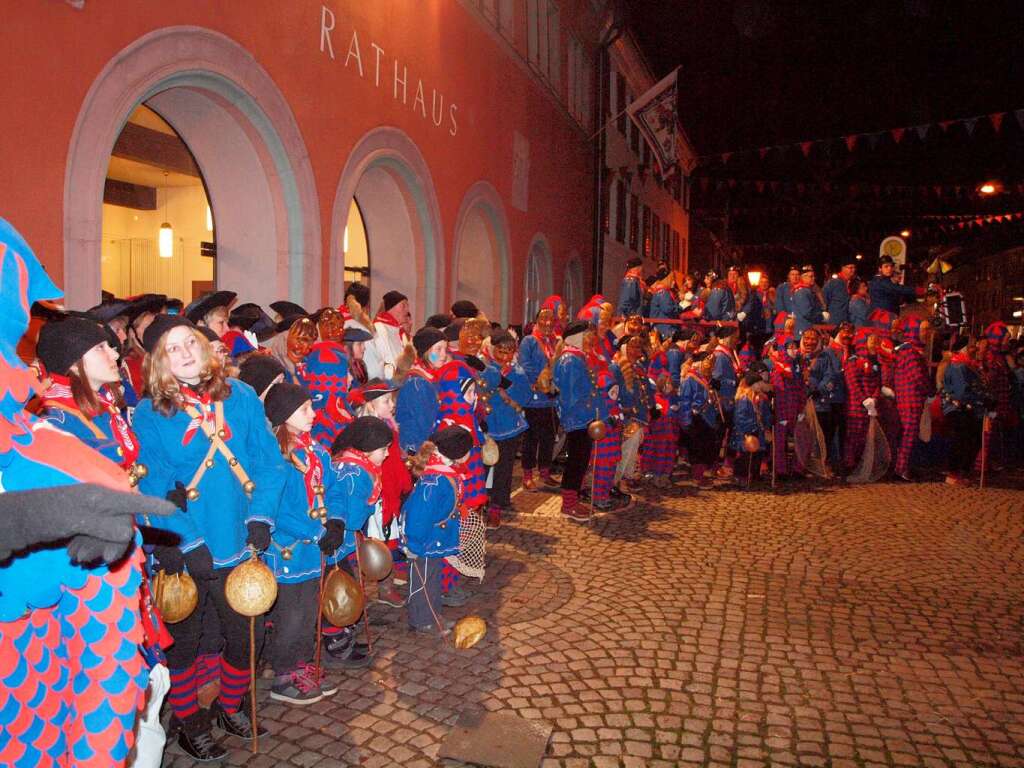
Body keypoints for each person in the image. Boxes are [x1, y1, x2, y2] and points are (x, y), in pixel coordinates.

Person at [132, 314, 285, 760]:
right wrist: (186, 541)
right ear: (158, 362)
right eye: (170, 349)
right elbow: (153, 484)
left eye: (188, 342)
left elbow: (270, 463)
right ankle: (188, 721)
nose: (183, 352)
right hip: (188, 549)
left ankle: (227, 706)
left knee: (243, 638)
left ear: (202, 345)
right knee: (185, 645)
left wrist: (261, 517)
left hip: (239, 538)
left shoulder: (240, 397)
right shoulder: (150, 412)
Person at [262, 382, 345, 705]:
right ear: (285, 417)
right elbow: (278, 509)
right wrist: (315, 531)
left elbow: (334, 488)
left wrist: (336, 520)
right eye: (305, 410)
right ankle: (283, 674)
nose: (314, 414)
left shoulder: (317, 452)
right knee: (290, 614)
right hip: (288, 548)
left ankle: (300, 664)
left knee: (309, 610)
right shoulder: (277, 457)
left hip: (313, 549)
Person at [401, 425, 473, 636]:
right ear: (458, 453)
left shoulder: (445, 474)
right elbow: (419, 515)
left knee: (432, 580)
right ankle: (422, 620)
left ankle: (433, 615)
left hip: (434, 540)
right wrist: (413, 543)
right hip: (422, 541)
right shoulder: (434, 481)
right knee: (422, 582)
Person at [349, 379, 411, 607]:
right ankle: (357, 589)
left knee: (387, 539)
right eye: (386, 400)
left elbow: (393, 460)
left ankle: (386, 587)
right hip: (375, 495)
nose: (392, 404)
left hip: (389, 492)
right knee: (372, 540)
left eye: (392, 399)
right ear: (372, 404)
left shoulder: (388, 425)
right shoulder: (367, 430)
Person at [480, 331, 531, 528]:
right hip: (487, 424)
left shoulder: (517, 372)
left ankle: (496, 508)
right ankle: (480, 503)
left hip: (509, 425)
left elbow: (524, 396)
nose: (504, 357)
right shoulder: (486, 369)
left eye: (509, 352)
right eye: (500, 351)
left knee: (503, 469)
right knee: (483, 467)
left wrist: (508, 392)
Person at [553, 321, 598, 521]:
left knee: (580, 460)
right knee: (576, 461)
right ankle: (568, 504)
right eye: (588, 335)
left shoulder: (577, 358)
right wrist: (574, 417)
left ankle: (573, 499)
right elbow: (569, 395)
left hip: (583, 416)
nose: (591, 339)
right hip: (577, 419)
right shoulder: (570, 360)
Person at [517, 308, 561, 490]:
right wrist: (541, 382)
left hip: (551, 399)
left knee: (549, 438)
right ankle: (527, 475)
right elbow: (524, 365)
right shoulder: (529, 341)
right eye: (544, 319)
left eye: (551, 319)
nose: (548, 323)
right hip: (534, 399)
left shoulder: (555, 342)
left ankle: (545, 472)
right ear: (536, 321)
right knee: (531, 438)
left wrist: (555, 385)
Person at [940, 336, 989, 485]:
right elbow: (962, 391)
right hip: (960, 408)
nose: (974, 348)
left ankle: (962, 471)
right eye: (972, 346)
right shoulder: (958, 365)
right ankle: (954, 473)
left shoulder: (968, 364)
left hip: (969, 408)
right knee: (962, 440)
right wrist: (981, 398)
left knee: (971, 440)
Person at [892, 316, 932, 481]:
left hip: (912, 400)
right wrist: (930, 390)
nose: (927, 333)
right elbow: (918, 377)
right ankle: (901, 469)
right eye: (924, 330)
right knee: (908, 435)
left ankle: (903, 467)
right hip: (910, 400)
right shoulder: (910, 352)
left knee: (909, 434)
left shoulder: (911, 350)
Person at [801, 327, 846, 476]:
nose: (809, 342)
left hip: (820, 403)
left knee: (823, 436)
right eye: (806, 338)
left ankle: (821, 464)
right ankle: (804, 463)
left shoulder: (824, 358)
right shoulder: (798, 357)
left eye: (813, 339)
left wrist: (818, 390)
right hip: (802, 404)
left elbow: (830, 377)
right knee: (805, 436)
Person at [395, 327, 446, 453]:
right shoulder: (417, 383)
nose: (444, 355)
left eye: (445, 349)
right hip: (416, 448)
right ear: (426, 351)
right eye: (438, 349)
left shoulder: (431, 378)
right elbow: (424, 423)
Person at [677, 351, 722, 488]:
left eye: (713, 363)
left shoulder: (706, 380)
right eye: (709, 361)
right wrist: (686, 422)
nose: (711, 366)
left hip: (707, 418)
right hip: (696, 417)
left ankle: (702, 474)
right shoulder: (690, 379)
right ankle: (697, 477)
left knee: (706, 446)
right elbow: (684, 401)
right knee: (698, 448)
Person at [843, 328, 883, 471]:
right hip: (856, 406)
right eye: (872, 341)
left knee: (867, 437)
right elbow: (852, 384)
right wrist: (864, 400)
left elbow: (879, 382)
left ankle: (861, 463)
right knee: (854, 436)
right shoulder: (853, 361)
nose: (875, 344)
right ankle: (850, 465)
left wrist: (874, 399)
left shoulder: (876, 361)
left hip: (870, 405)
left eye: (876, 341)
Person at [769, 336, 805, 479]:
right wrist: (782, 414)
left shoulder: (797, 366)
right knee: (780, 441)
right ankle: (780, 470)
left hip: (796, 408)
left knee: (802, 438)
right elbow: (779, 391)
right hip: (784, 410)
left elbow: (802, 388)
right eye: (790, 347)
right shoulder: (779, 367)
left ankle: (798, 468)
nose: (794, 350)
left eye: (794, 347)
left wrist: (801, 409)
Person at [731, 371, 772, 487]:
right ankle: (741, 476)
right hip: (746, 431)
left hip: (757, 430)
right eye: (759, 383)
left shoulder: (759, 398)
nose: (761, 385)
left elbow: (765, 414)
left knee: (758, 453)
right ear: (753, 384)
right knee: (745, 455)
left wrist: (768, 422)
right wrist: (751, 427)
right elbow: (740, 417)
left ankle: (755, 474)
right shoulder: (745, 399)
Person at [374, 291, 413, 379]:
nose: (407, 310)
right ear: (391, 308)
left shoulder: (399, 331)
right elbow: (387, 359)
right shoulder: (380, 328)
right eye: (403, 306)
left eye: (407, 306)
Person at [791, 264, 828, 336]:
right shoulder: (801, 291)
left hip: (808, 329)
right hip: (805, 331)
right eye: (811, 276)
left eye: (814, 276)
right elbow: (807, 313)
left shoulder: (807, 290)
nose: (813, 278)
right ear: (803, 277)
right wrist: (822, 316)